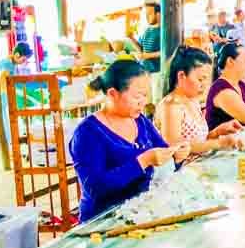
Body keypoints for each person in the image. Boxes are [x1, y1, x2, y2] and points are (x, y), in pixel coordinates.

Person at [69, 59, 190, 222]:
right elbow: (95, 187)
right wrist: (143, 161)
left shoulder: (140, 121)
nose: (143, 102)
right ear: (112, 94)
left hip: (140, 213)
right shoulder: (88, 133)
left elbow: (163, 154)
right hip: (103, 221)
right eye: (137, 96)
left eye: (146, 95)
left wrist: (177, 156)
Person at [155, 46, 244, 153]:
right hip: (181, 169)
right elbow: (174, 147)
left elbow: (198, 142)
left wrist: (217, 132)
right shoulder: (171, 106)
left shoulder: (193, 101)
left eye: (207, 80)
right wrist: (220, 143)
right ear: (181, 76)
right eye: (201, 79)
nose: (205, 85)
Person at [137, 3, 162, 74]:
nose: (147, 17)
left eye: (150, 14)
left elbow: (167, 51)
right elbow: (141, 49)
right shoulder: (147, 30)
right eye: (146, 14)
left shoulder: (163, 31)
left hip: (157, 72)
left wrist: (147, 55)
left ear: (158, 14)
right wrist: (131, 38)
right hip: (146, 71)